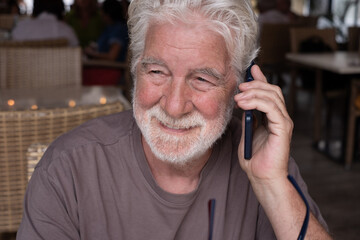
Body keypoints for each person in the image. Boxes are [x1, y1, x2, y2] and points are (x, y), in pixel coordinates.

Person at [17, 0, 332, 239]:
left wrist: (273, 185)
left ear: (241, 85)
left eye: (202, 79)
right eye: (157, 72)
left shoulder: (266, 164)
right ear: (135, 70)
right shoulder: (67, 170)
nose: (174, 105)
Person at [11, 0, 79, 46]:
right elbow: (75, 49)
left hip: (24, 66)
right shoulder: (66, 31)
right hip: (58, 67)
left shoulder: (22, 28)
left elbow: (12, 42)